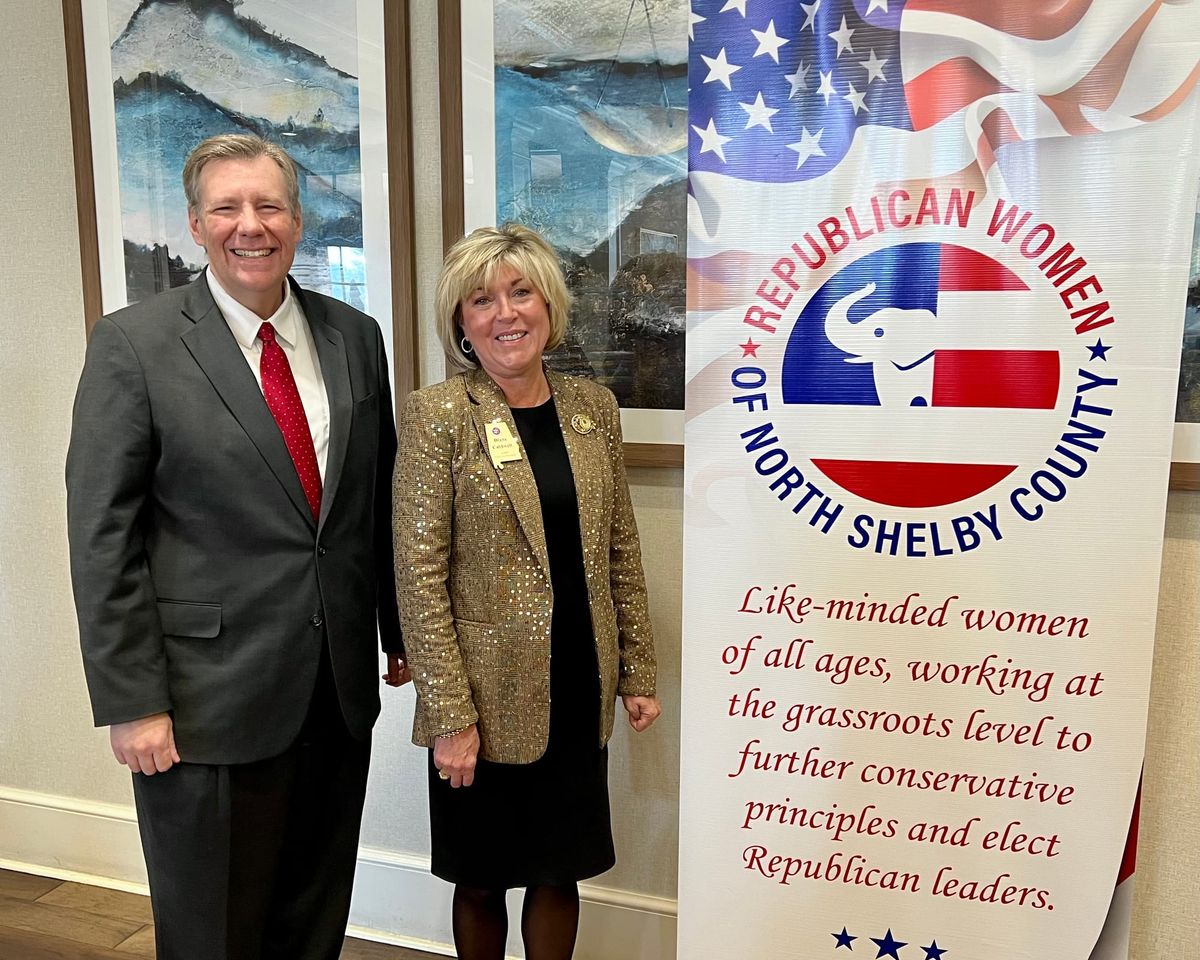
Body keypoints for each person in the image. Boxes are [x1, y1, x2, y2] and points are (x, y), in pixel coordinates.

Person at [65, 133, 408, 960]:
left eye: (269, 206)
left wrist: (398, 633)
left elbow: (375, 499)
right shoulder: (134, 344)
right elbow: (102, 533)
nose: (250, 225)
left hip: (334, 692)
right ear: (196, 224)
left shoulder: (355, 336)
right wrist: (133, 700)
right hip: (202, 702)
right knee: (213, 930)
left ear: (298, 220)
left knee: (313, 918)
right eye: (227, 207)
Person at [389, 224, 661, 960]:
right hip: (480, 697)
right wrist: (449, 715)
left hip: (577, 683)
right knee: (480, 880)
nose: (505, 313)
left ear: (549, 305)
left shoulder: (592, 408)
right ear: (461, 322)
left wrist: (637, 669)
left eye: (520, 292)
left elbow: (619, 547)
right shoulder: (438, 415)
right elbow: (417, 577)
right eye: (482, 300)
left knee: (557, 870)